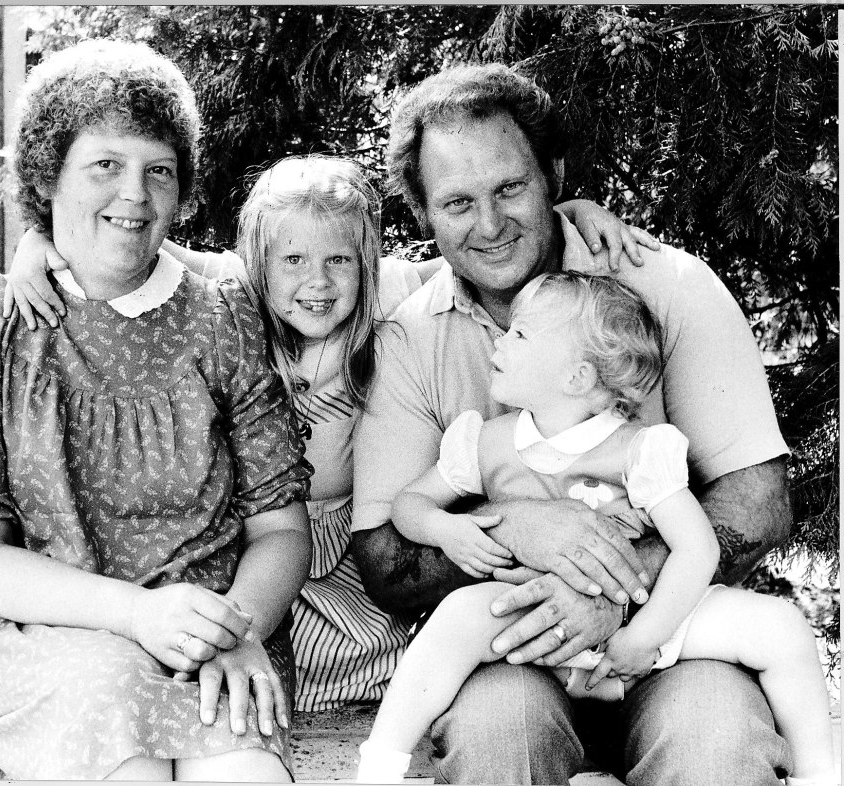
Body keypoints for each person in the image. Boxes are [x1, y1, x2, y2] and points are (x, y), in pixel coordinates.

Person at [3, 150, 657, 716]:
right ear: (259, 259)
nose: (316, 283)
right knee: (218, 641)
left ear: (366, 259)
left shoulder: (391, 291)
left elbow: (491, 255)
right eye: (292, 259)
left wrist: (574, 213)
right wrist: (37, 242)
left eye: (338, 260)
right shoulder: (230, 291)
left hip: (346, 550)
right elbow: (134, 241)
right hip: (255, 545)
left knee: (400, 651)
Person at [351, 63, 798, 785]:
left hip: (675, 639)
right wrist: (516, 530)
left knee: (716, 739)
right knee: (497, 737)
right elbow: (383, 556)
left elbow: (758, 502)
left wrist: (608, 592)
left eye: (509, 187)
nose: (489, 224)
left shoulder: (668, 288)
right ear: (423, 213)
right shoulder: (410, 335)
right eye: (457, 202)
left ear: (552, 172)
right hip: (508, 647)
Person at [0, 39, 313, 782]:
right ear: (47, 175)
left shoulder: (223, 313)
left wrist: (235, 626)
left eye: (157, 171)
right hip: (49, 635)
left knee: (245, 776)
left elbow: (282, 530)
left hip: (216, 635)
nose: (134, 195)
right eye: (105, 165)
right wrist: (137, 616)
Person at [355, 272, 835, 786]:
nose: (500, 340)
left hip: (644, 625)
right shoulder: (486, 441)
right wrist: (444, 529)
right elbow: (410, 504)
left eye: (519, 334)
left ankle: (819, 775)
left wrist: (645, 636)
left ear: (577, 378)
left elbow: (696, 548)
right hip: (528, 622)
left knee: (779, 627)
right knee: (453, 620)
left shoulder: (640, 449)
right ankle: (382, 763)